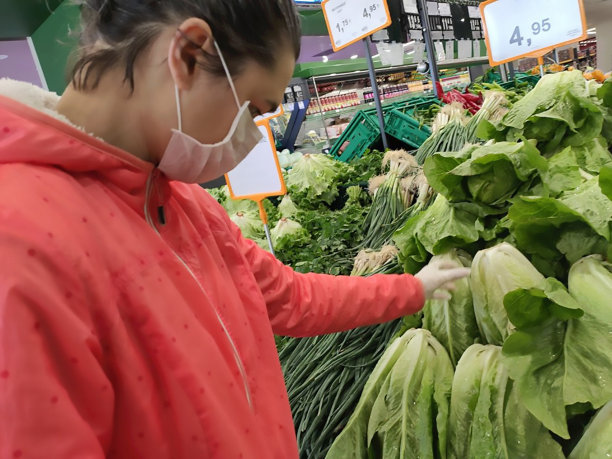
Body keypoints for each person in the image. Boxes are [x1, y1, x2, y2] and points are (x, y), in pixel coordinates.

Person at [0, 1, 469, 457]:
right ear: (188, 54)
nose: (247, 137)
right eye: (251, 108)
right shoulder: (21, 240)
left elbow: (292, 298)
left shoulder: (184, 204)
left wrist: (413, 288)